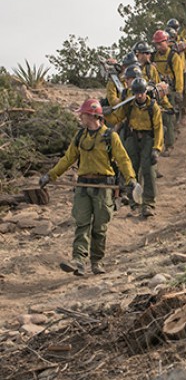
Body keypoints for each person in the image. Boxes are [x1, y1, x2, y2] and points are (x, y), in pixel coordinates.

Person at [38, 99, 137, 276]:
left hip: (103, 188)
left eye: (81, 114)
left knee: (99, 227)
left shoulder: (110, 136)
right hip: (83, 186)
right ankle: (78, 262)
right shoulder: (79, 137)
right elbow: (68, 159)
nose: (80, 118)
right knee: (81, 224)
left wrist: (131, 179)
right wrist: (50, 175)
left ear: (91, 116)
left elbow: (123, 159)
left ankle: (96, 261)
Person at [104, 78, 164, 218]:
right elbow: (117, 118)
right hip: (132, 138)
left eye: (141, 93)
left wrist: (157, 149)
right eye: (136, 93)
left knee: (148, 171)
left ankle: (148, 203)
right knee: (131, 170)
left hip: (148, 139)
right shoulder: (129, 105)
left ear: (145, 92)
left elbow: (159, 129)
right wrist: (106, 114)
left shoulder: (152, 107)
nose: (138, 96)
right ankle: (134, 202)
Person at [152, 29, 184, 154]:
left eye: (160, 43)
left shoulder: (173, 56)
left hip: (169, 90)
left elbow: (179, 74)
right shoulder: (154, 56)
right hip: (156, 89)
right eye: (157, 44)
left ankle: (169, 145)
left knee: (168, 117)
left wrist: (179, 91)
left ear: (167, 42)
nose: (158, 46)